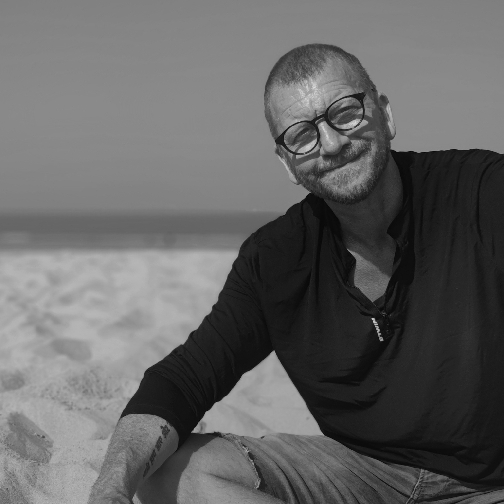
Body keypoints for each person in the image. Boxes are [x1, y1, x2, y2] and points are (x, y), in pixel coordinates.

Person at [88, 43, 504, 504]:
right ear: (287, 162)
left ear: (384, 114)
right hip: (364, 471)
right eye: (302, 134)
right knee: (172, 476)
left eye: (345, 112)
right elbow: (184, 380)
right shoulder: (276, 259)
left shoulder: (482, 192)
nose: (332, 144)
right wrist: (110, 490)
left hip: (492, 482)